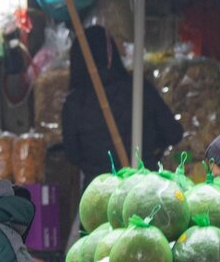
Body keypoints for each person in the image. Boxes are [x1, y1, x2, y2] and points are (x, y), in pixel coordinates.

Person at [58, 26, 182, 178]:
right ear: (112, 54)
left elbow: (72, 155)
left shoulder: (74, 103)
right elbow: (174, 133)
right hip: (143, 185)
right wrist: (150, 147)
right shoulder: (138, 88)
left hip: (99, 190)